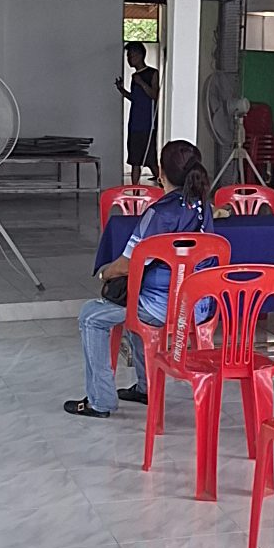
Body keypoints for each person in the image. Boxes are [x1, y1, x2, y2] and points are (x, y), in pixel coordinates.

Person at [65, 138, 213, 419]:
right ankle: (146, 388)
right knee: (134, 312)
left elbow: (126, 266)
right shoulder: (202, 206)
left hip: (161, 307)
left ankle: (100, 401)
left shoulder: (158, 213)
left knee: (91, 316)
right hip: (198, 306)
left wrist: (104, 272)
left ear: (161, 172)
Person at [116, 43, 159, 185]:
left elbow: (154, 95)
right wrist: (122, 90)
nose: (129, 59)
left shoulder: (152, 73)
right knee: (135, 159)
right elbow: (135, 98)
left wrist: (141, 83)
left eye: (131, 56)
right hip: (134, 122)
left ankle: (164, 186)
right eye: (128, 56)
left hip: (147, 124)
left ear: (140, 55)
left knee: (150, 159)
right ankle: (135, 190)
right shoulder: (134, 76)